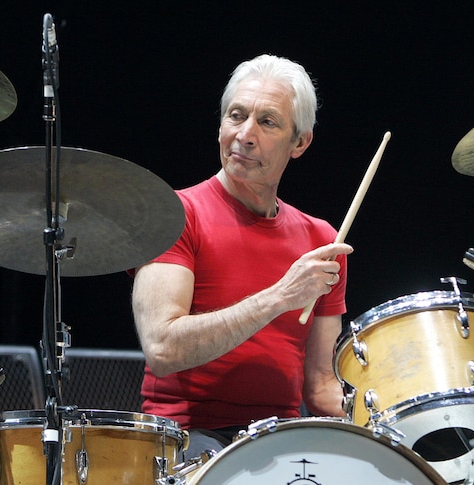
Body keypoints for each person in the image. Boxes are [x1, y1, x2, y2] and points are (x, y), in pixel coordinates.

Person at [131, 53, 353, 460]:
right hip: (185, 437)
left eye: (267, 122)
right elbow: (163, 350)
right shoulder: (176, 216)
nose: (245, 134)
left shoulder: (321, 240)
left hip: (280, 440)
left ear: (300, 142)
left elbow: (321, 386)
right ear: (220, 125)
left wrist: (398, 420)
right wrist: (278, 297)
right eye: (236, 116)